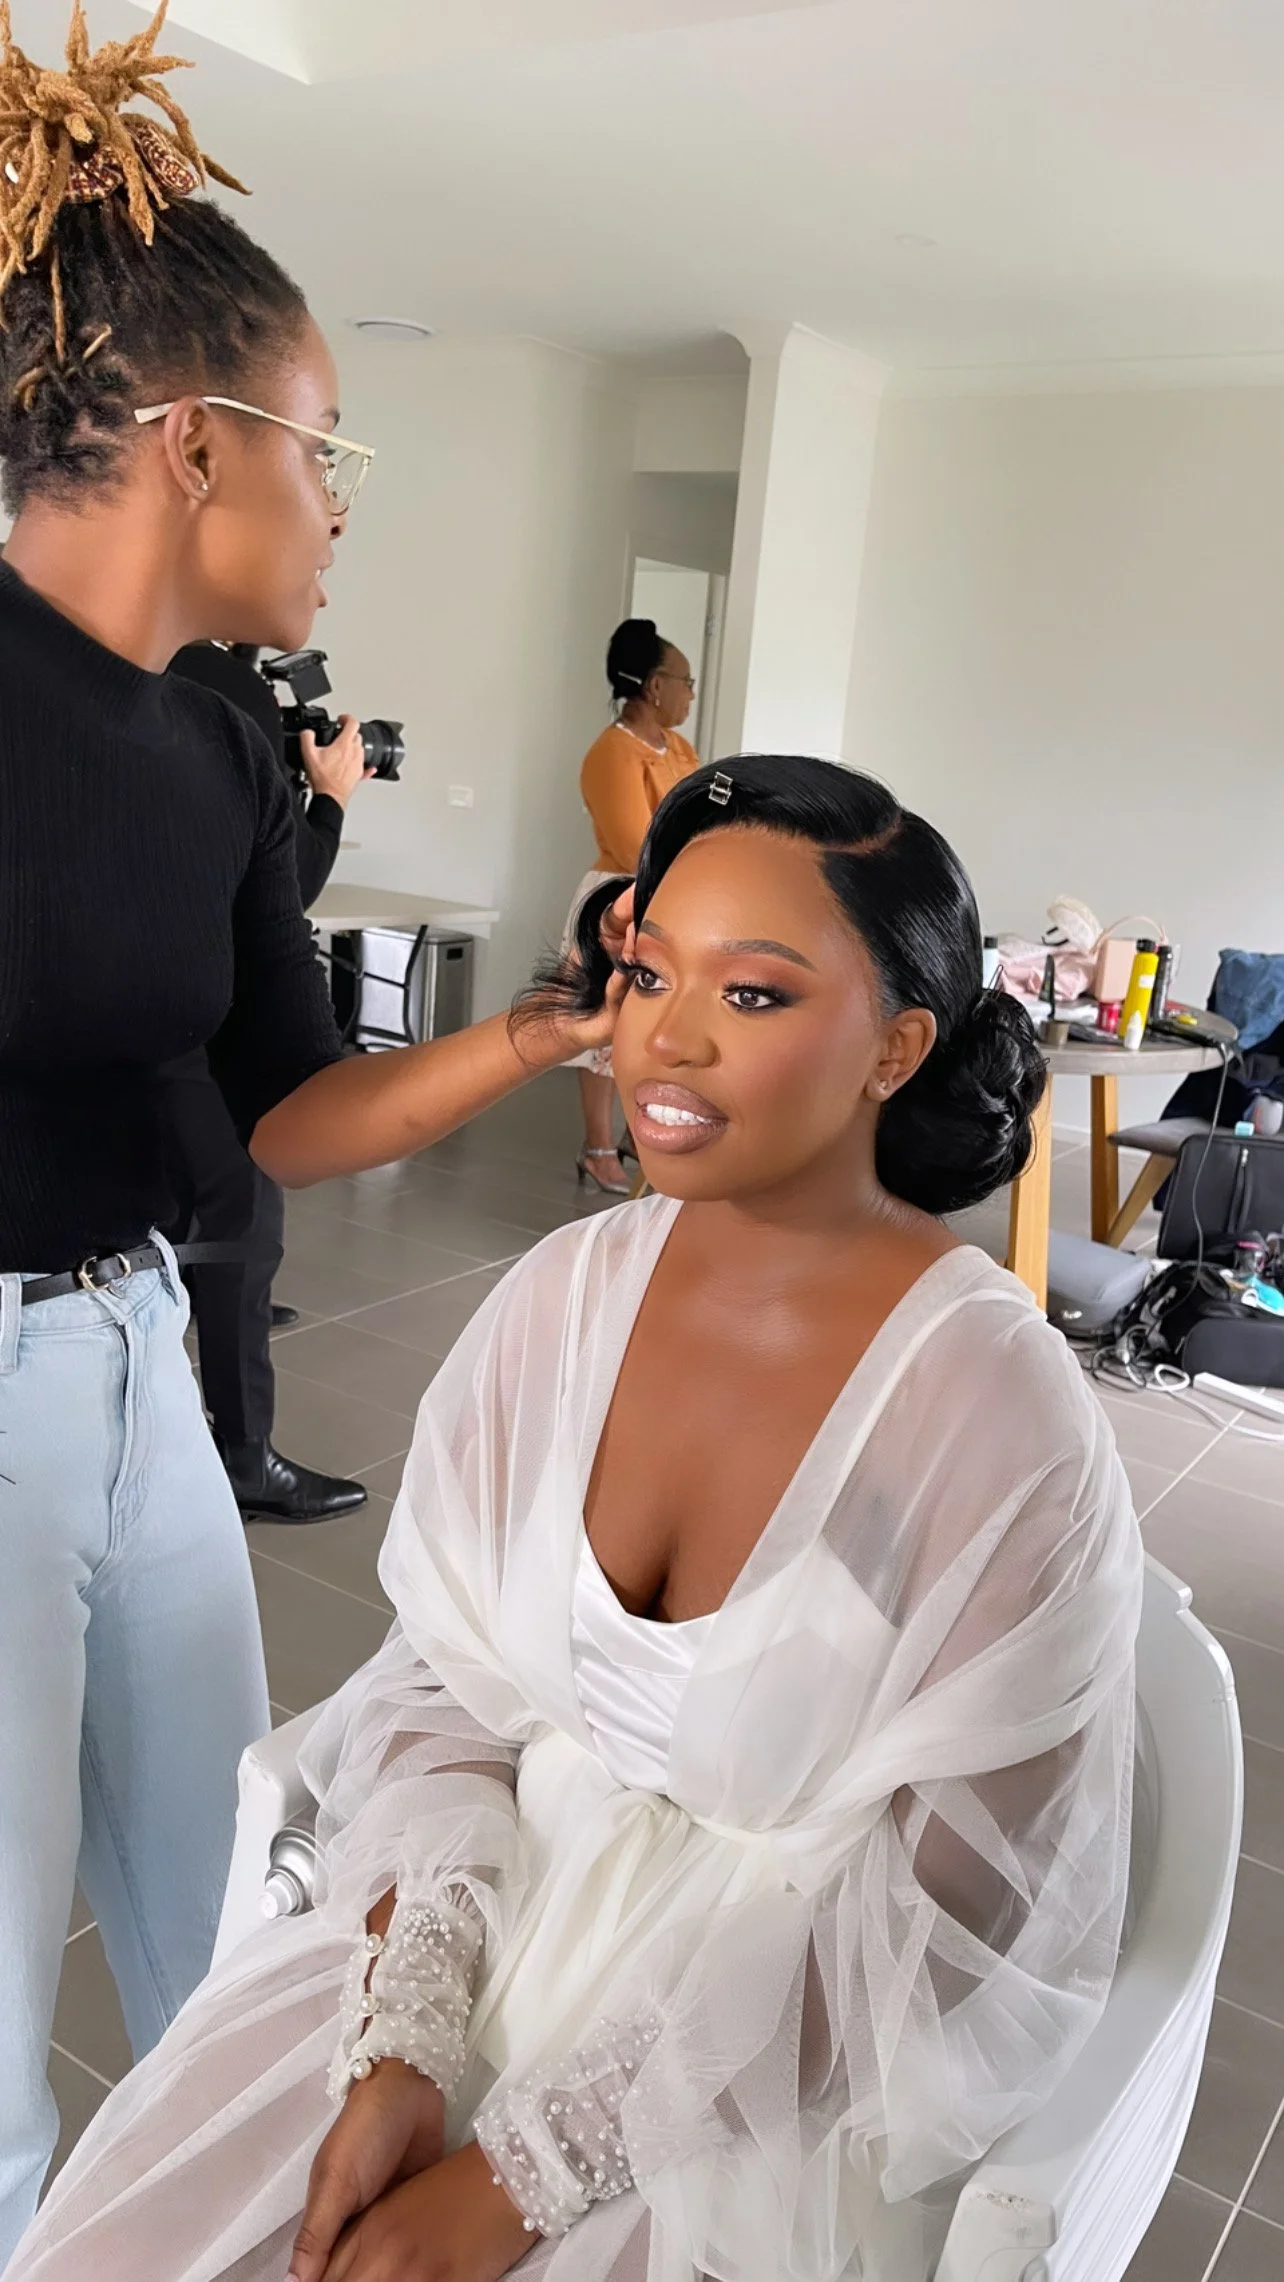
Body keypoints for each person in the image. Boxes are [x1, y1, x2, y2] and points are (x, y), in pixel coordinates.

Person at [12, 757, 1143, 2282]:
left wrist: (523, 2171)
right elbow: (444, 1694)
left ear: (899, 1044)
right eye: (652, 968)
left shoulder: (996, 1413)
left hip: (747, 2056)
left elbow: (952, 1916)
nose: (666, 1037)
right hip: (468, 1919)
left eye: (753, 995)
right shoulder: (566, 1293)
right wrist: (408, 2027)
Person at [0, 5, 621, 2257]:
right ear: (192, 443)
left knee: (246, 1925)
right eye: (325, 452)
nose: (338, 506)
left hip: (136, 1355)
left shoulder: (229, 751)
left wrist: (553, 1028)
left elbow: (285, 1109)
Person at [165, 640, 374, 1523]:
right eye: (321, 514)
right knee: (244, 1229)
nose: (322, 566)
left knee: (171, 1213)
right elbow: (283, 888)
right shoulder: (225, 690)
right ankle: (244, 1455)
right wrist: (326, 798)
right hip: (214, 1028)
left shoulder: (118, 665)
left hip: (134, 1022)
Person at [566, 617, 700, 1194]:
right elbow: (633, 844)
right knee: (603, 1024)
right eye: (685, 681)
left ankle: (628, 1137)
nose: (691, 694)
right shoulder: (611, 753)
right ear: (653, 687)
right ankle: (597, 1147)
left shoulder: (680, 747)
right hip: (618, 900)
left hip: (673, 899)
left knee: (648, 1026)